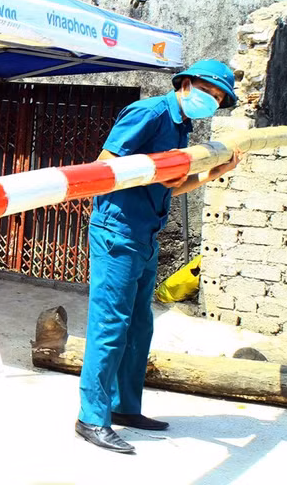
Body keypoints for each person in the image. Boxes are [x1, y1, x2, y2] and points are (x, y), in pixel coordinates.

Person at [76, 59, 242, 453]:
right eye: (209, 91)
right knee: (110, 325)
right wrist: (154, 173)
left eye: (218, 98)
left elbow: (172, 186)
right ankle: (90, 417)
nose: (212, 100)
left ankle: (124, 407)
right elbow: (102, 169)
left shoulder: (182, 126)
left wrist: (216, 172)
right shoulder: (147, 112)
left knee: (139, 326)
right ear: (185, 83)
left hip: (147, 233)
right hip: (117, 233)